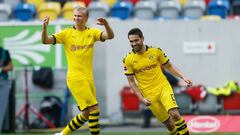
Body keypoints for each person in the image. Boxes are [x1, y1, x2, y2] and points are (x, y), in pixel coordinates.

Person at [41, 6, 114, 135]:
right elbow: (45, 41)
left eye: (79, 16)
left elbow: (110, 36)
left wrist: (106, 25)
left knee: (86, 114)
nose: (76, 18)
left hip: (88, 78)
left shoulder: (92, 33)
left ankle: (62, 134)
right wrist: (44, 28)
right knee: (94, 108)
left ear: (85, 18)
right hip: (75, 78)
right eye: (74, 16)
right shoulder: (66, 34)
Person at [123, 28, 192, 135]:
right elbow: (131, 82)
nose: (134, 43)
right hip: (149, 95)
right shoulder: (128, 59)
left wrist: (183, 77)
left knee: (174, 114)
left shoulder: (156, 51)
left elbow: (169, 66)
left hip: (163, 87)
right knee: (169, 124)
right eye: (131, 41)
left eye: (136, 40)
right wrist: (141, 98)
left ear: (142, 38)